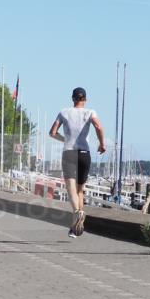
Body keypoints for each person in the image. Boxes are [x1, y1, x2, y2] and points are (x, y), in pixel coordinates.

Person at [49, 87, 105, 237]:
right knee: (80, 190)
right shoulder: (90, 112)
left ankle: (77, 213)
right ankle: (76, 228)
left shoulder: (64, 112)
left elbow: (52, 133)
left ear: (73, 98)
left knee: (71, 189)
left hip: (69, 152)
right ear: (85, 99)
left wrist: (65, 139)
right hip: (84, 153)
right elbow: (98, 126)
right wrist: (102, 144)